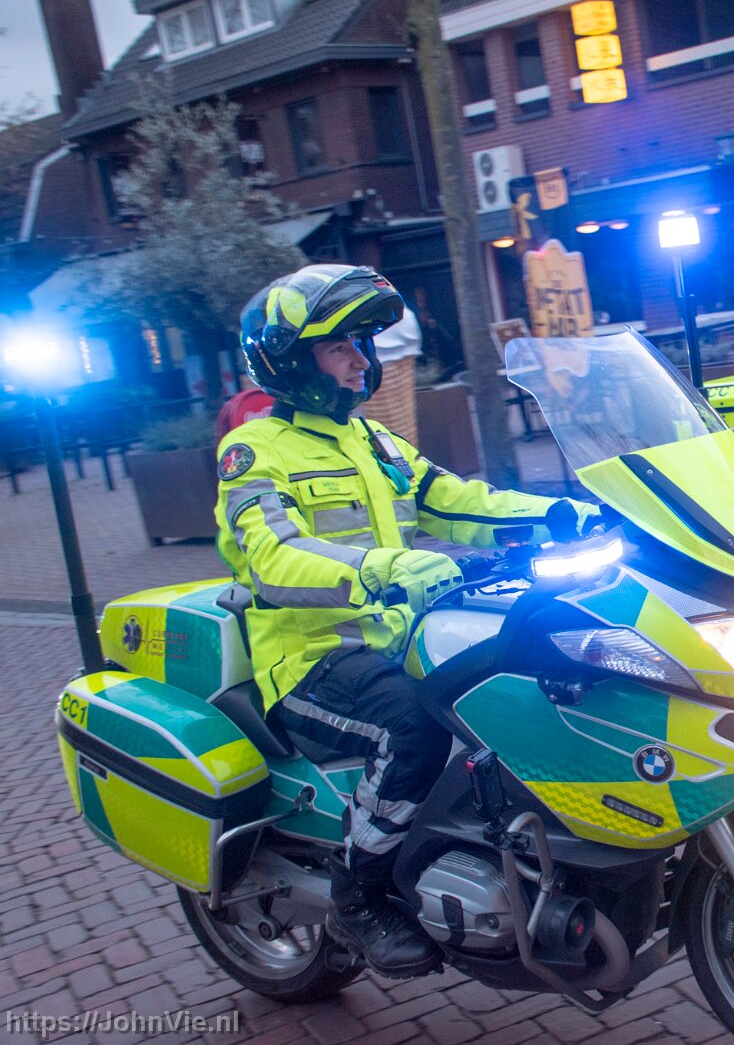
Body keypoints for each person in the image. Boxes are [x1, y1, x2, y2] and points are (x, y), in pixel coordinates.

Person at [215, 264, 597, 979]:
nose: (362, 360)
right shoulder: (254, 453)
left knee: (522, 679)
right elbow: (272, 556)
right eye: (341, 347)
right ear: (292, 362)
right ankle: (357, 897)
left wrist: (556, 513)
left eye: (363, 344)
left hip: (399, 641)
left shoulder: (372, 441)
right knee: (411, 727)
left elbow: (454, 501)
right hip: (311, 659)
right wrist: (383, 569)